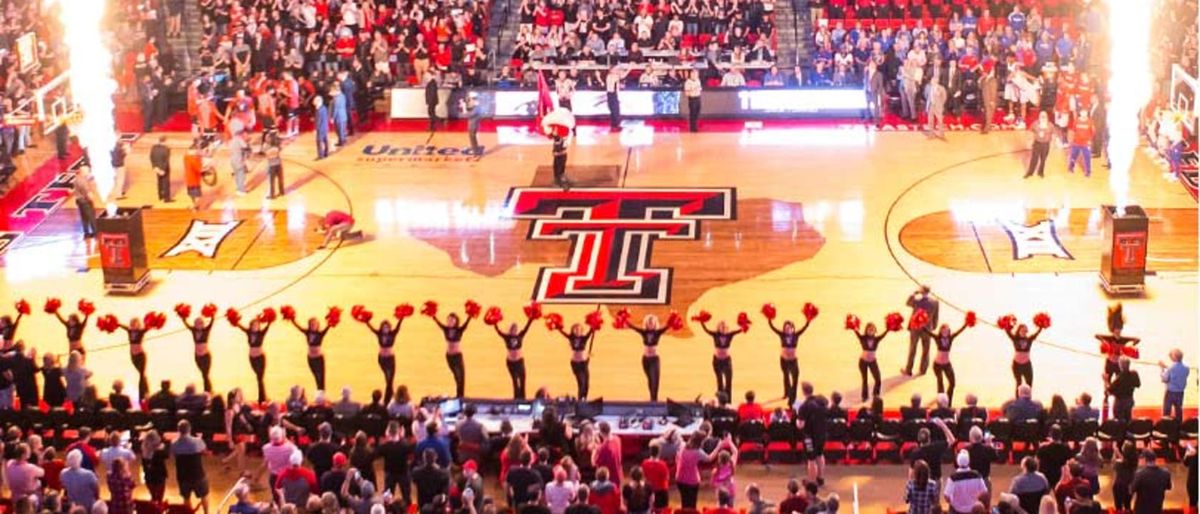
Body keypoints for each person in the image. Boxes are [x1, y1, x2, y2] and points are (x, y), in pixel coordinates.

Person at [766, 307, 814, 406]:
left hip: (793, 361)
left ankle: (792, 399)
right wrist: (769, 319)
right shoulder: (781, 334)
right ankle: (786, 393)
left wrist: (808, 321)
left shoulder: (796, 335)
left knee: (795, 379)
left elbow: (804, 328)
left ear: (793, 328)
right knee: (785, 376)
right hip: (783, 360)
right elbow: (773, 328)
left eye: (789, 328)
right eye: (786, 328)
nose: (787, 329)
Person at [618, 314, 669, 401]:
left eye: (652, 323)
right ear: (646, 323)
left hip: (654, 360)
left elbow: (667, 327)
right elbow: (633, 327)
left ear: (655, 323)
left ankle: (654, 399)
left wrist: (673, 320)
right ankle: (652, 399)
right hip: (645, 359)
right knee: (650, 379)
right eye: (649, 323)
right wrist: (624, 321)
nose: (650, 324)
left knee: (654, 380)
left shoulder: (658, 332)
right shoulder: (644, 332)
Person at [428, 307, 473, 398]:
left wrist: (470, 315)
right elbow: (438, 323)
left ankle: (460, 397)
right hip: (449, 357)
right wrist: (433, 316)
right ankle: (459, 396)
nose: (449, 321)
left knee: (460, 377)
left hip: (457, 357)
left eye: (452, 320)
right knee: (456, 377)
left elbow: (466, 323)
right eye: (448, 320)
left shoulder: (459, 329)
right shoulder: (445, 329)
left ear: (456, 321)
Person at [228, 312, 273, 403]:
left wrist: (269, 318)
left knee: (259, 378)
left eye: (257, 325)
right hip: (252, 358)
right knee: (258, 377)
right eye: (254, 325)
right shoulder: (248, 332)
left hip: (260, 358)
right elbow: (239, 326)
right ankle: (262, 397)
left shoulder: (261, 333)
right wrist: (233, 319)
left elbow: (269, 324)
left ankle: (262, 398)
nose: (256, 327)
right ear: (251, 326)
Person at [698, 316, 747, 400]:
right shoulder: (715, 334)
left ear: (728, 328)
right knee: (720, 382)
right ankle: (720, 401)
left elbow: (740, 330)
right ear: (718, 328)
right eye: (722, 327)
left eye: (725, 327)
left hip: (726, 361)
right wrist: (702, 321)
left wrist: (745, 324)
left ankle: (728, 401)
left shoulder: (730, 334)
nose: (724, 328)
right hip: (717, 361)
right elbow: (706, 330)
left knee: (728, 382)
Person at [491, 309, 535, 400]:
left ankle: (523, 400)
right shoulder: (506, 337)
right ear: (510, 330)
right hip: (511, 363)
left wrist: (531, 319)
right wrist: (494, 323)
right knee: (515, 381)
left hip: (520, 362)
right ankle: (516, 400)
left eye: (515, 329)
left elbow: (526, 328)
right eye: (513, 329)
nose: (514, 330)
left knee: (523, 381)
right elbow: (498, 332)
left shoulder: (520, 336)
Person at [285, 310, 334, 391]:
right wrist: (292, 319)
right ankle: (319, 394)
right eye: (312, 324)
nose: (313, 326)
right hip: (311, 359)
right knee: (316, 376)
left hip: (319, 358)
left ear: (318, 325)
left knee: (321, 378)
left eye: (315, 324)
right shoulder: (307, 332)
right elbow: (298, 327)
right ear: (309, 325)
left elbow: (328, 326)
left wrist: (332, 319)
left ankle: (322, 396)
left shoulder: (320, 334)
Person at [849, 320, 894, 401]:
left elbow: (884, 335)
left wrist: (889, 328)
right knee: (865, 380)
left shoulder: (877, 339)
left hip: (873, 361)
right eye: (869, 329)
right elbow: (856, 331)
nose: (871, 331)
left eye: (872, 329)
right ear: (866, 330)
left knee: (878, 379)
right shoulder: (862, 338)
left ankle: (876, 394)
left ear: (875, 331)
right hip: (863, 362)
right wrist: (853, 326)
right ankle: (864, 397)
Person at [172, 420, 210, 514]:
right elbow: (205, 453)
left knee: (186, 497)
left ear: (178, 430)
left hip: (183, 476)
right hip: (198, 474)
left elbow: (173, 455)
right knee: (204, 495)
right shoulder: (197, 441)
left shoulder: (174, 443)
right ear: (190, 429)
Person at [795, 382, 829, 486]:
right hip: (822, 433)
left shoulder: (804, 406)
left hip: (810, 436)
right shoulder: (821, 401)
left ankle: (811, 481)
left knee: (811, 459)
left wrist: (796, 421)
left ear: (803, 392)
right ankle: (820, 478)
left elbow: (800, 425)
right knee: (820, 455)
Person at [903, 286, 939, 377]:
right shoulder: (934, 302)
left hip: (915, 329)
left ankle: (909, 369)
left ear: (921, 291)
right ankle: (923, 370)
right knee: (926, 350)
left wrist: (914, 294)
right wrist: (933, 327)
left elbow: (907, 303)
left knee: (912, 349)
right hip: (927, 329)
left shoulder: (917, 301)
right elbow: (936, 316)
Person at [909, 419, 956, 485]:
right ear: (929, 438)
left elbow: (911, 474)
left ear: (919, 439)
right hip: (935, 481)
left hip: (920, 482)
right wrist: (943, 426)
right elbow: (952, 440)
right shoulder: (936, 447)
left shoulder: (915, 453)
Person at [1004, 321, 1043, 394]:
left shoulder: (1029, 339)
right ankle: (1018, 401)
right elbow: (1008, 332)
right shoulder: (1015, 338)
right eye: (1022, 330)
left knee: (1029, 383)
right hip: (1017, 364)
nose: (1024, 332)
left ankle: (1028, 400)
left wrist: (1041, 326)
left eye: (1025, 331)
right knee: (1019, 383)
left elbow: (1037, 333)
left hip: (1027, 364)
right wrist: (1005, 324)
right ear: (1018, 331)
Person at [943, 450, 988, 514]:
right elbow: (984, 492)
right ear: (969, 462)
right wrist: (976, 499)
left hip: (956, 509)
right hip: (973, 509)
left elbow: (946, 496)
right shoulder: (977, 475)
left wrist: (953, 502)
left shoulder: (953, 478)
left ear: (957, 462)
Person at [1130, 450, 1171, 514]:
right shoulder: (1165, 473)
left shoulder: (1139, 474)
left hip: (1141, 510)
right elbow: (1169, 487)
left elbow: (1131, 490)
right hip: (1157, 509)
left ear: (1145, 460)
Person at [1159, 348, 1189, 421]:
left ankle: (1166, 428)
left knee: (1166, 412)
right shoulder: (1186, 368)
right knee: (1179, 411)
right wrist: (1167, 368)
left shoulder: (1171, 368)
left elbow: (1164, 379)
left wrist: (1162, 369)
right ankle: (1179, 428)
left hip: (1170, 392)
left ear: (1174, 357)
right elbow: (1176, 374)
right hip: (1180, 393)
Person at [1026, 111, 1054, 178]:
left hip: (1046, 145)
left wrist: (1052, 143)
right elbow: (1030, 131)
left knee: (1043, 159)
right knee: (1034, 159)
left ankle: (1041, 172)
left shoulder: (1050, 125)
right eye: (1041, 115)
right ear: (1039, 116)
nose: (1043, 117)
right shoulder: (1035, 124)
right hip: (1037, 144)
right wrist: (1029, 140)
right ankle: (1030, 172)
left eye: (1044, 116)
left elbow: (1053, 134)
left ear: (1047, 117)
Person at [74, 167, 99, 239]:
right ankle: (96, 233)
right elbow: (88, 193)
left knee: (84, 218)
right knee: (91, 217)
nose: (88, 173)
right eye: (87, 171)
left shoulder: (77, 179)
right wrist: (93, 201)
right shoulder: (83, 182)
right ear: (83, 172)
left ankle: (86, 233)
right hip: (85, 201)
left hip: (79, 201)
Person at [1112, 442, 1138, 512]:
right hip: (1129, 484)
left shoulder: (1119, 464)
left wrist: (1115, 452)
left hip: (1119, 485)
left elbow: (1113, 463)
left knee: (1118, 506)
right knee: (1127, 505)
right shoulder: (1134, 461)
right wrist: (1118, 452)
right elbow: (1124, 460)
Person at [1067, 110, 1094, 177]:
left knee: (1087, 157)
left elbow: (1093, 132)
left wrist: (1089, 141)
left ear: (1087, 114)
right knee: (1073, 156)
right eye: (1082, 113)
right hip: (1076, 143)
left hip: (1086, 143)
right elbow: (1073, 131)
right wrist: (1072, 141)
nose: (1084, 115)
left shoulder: (1090, 122)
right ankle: (1071, 168)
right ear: (1080, 113)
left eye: (1085, 113)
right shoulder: (1076, 121)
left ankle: (1088, 172)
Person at [150, 136, 172, 202]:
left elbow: (151, 157)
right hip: (164, 168)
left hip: (157, 167)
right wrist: (163, 170)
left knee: (159, 182)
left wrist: (154, 167)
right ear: (165, 141)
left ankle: (160, 196)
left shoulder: (154, 148)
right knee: (166, 183)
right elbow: (166, 161)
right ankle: (166, 198)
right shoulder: (166, 149)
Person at [229, 128, 250, 195]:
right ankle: (241, 190)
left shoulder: (232, 140)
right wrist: (247, 141)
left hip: (232, 160)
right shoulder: (239, 140)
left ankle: (238, 188)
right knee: (241, 175)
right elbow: (245, 146)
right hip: (238, 160)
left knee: (237, 175)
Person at [183, 143, 203, 210]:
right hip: (195, 179)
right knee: (196, 194)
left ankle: (193, 205)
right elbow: (198, 168)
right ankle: (195, 206)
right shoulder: (193, 158)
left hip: (189, 179)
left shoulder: (186, 157)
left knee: (191, 194)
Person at [980, 63, 999, 134]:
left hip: (990, 100)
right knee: (986, 113)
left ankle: (986, 128)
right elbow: (980, 87)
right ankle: (986, 126)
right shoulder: (984, 79)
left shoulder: (993, 80)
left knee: (989, 113)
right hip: (985, 99)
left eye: (984, 73)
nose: (983, 74)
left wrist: (992, 100)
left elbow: (993, 91)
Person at [864, 61, 884, 127]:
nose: (871, 65)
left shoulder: (879, 74)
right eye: (870, 64)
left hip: (875, 92)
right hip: (868, 92)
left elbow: (880, 85)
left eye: (872, 64)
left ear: (875, 66)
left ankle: (877, 121)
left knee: (876, 107)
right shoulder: (867, 73)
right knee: (867, 106)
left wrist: (879, 94)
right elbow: (865, 81)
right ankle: (867, 118)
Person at [264, 133, 284, 199]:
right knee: (280, 179)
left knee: (271, 181)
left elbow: (268, 155)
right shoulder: (276, 146)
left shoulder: (265, 146)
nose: (265, 138)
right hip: (278, 164)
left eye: (267, 137)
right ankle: (281, 192)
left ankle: (272, 195)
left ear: (270, 139)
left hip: (272, 166)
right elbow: (279, 150)